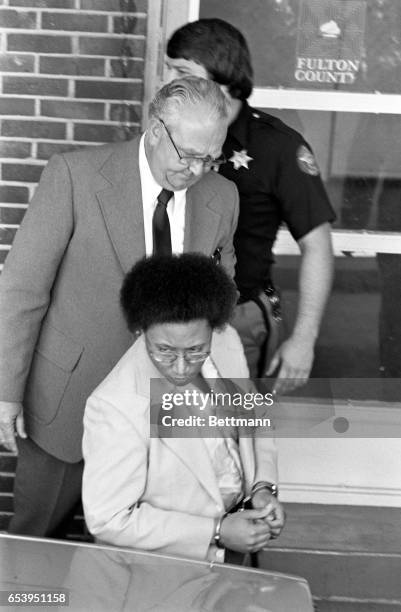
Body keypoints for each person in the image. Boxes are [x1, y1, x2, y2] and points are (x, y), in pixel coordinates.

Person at [0, 76, 239, 537]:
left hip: (167, 414)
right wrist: (6, 392)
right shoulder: (74, 175)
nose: (194, 170)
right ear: (155, 128)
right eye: (186, 154)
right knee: (35, 542)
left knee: (138, 551)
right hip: (68, 400)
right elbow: (22, 290)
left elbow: (219, 301)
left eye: (209, 158)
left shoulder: (222, 196)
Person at [166, 19, 336, 391]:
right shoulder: (168, 129)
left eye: (182, 71)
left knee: (234, 433)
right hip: (165, 317)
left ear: (222, 74)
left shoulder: (278, 146)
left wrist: (304, 340)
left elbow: (318, 245)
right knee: (168, 434)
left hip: (237, 320)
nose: (171, 82)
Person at [82, 253, 285, 563]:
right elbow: (107, 518)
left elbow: (256, 416)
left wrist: (263, 488)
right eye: (164, 350)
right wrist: (216, 531)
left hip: (234, 549)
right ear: (141, 330)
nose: (180, 368)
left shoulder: (227, 342)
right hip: (162, 573)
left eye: (195, 350)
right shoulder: (114, 406)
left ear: (214, 330)